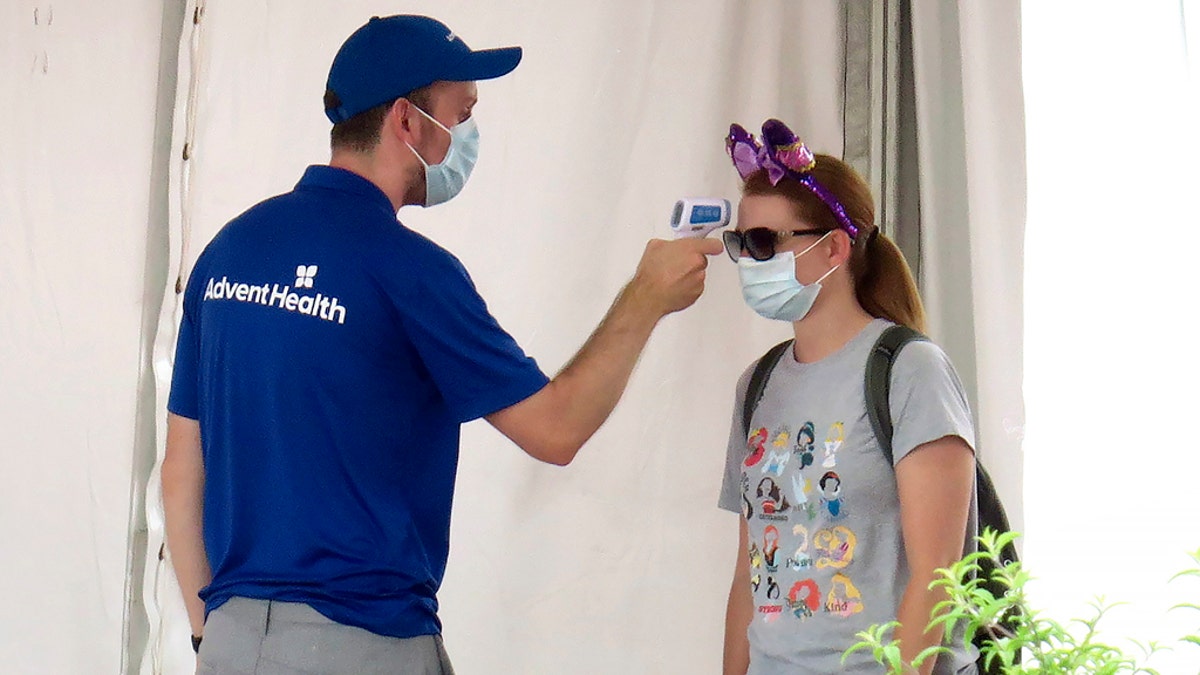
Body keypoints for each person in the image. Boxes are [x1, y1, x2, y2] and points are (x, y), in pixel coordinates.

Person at [161, 14, 722, 675]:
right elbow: (556, 428)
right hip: (361, 639)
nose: (469, 137)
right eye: (463, 113)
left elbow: (180, 471)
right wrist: (646, 296)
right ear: (407, 121)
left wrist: (212, 637)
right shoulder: (409, 270)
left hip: (230, 639)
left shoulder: (229, 252)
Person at [717, 119, 978, 675]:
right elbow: (748, 575)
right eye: (740, 243)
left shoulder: (910, 371)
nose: (748, 261)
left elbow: (937, 579)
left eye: (764, 242)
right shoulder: (756, 385)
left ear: (835, 246)